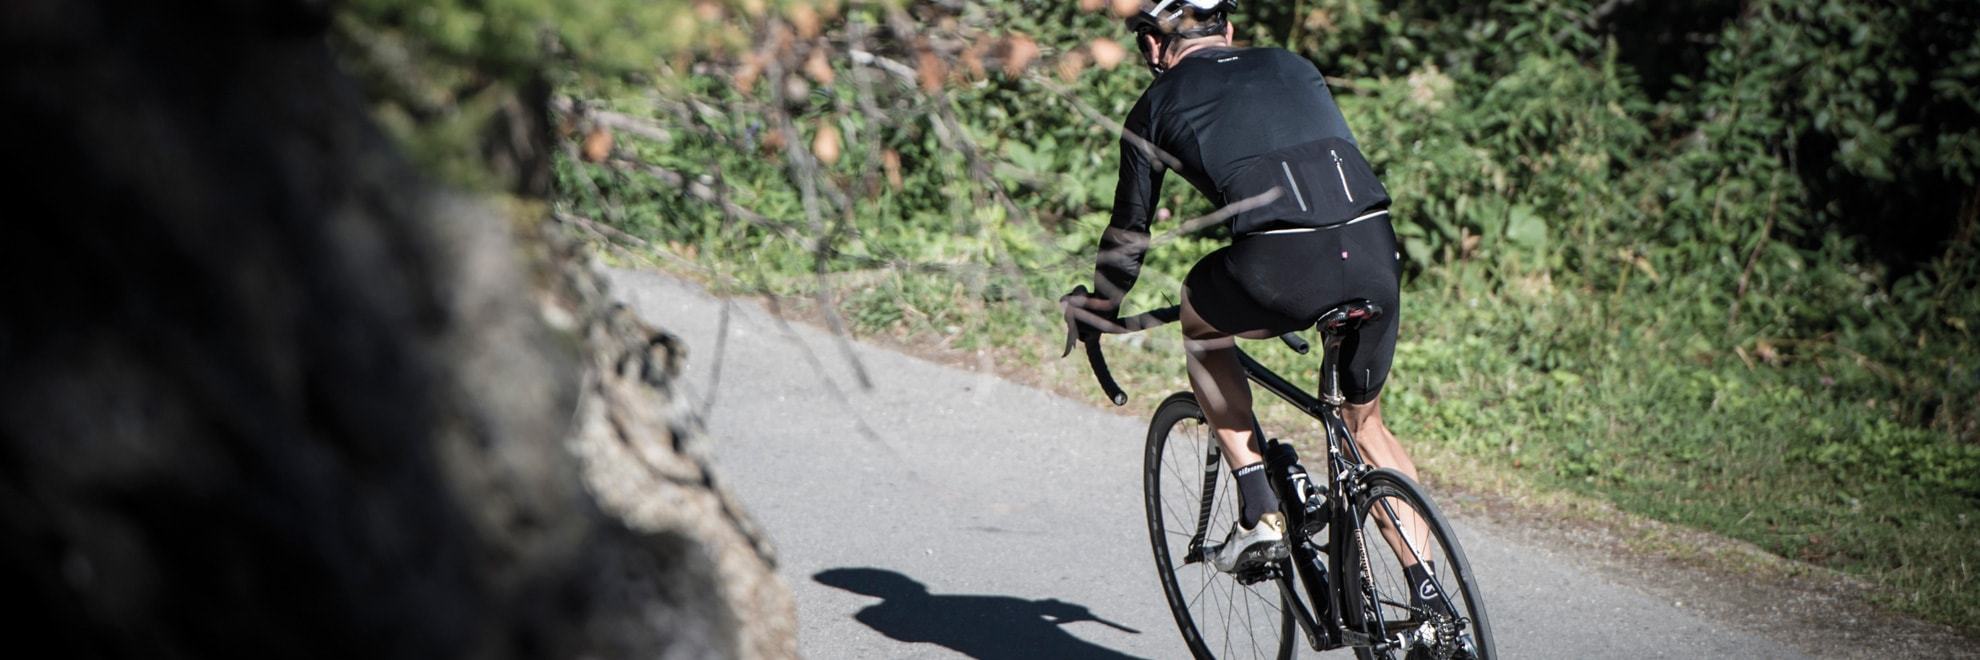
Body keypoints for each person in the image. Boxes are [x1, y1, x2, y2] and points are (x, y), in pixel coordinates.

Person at [1063, 0, 1438, 604]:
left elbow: (1131, 234)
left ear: (1153, 47)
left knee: (1200, 317)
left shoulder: (1154, 106)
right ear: (1229, 29)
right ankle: (1430, 598)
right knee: (1365, 425)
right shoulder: (1295, 65)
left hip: (1279, 266)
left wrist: (1102, 310)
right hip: (1374, 248)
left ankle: (1259, 506)